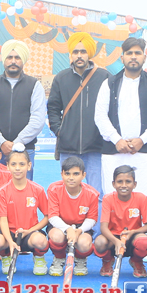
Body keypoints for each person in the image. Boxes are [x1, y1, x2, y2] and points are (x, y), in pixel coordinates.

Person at [94, 36, 147, 198]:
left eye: (137, 53)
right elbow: (100, 116)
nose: (133, 57)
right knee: (114, 200)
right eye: (129, 53)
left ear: (144, 57)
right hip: (115, 153)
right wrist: (117, 140)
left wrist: (142, 140)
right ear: (122, 58)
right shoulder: (109, 84)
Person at [47, 32, 108, 191]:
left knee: (97, 193)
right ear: (71, 54)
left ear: (90, 53)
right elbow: (53, 108)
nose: (79, 55)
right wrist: (60, 131)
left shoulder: (104, 77)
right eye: (75, 52)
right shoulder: (61, 78)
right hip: (69, 148)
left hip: (96, 148)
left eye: (83, 51)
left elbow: (111, 109)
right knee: (70, 192)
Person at [0, 38, 47, 177]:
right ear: (4, 60)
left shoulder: (34, 85)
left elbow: (38, 119)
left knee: (23, 189)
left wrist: (16, 144)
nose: (13, 61)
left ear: (23, 60)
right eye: (9, 57)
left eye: (17, 57)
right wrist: (2, 142)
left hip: (25, 150)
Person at [0, 146, 51, 275]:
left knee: (40, 241)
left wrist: (29, 231)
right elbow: (3, 220)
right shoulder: (2, 191)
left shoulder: (38, 189)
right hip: (9, 233)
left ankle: (39, 258)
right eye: (13, 164)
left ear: (29, 166)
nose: (17, 168)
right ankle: (6, 256)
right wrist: (10, 242)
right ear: (7, 166)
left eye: (22, 164)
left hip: (29, 233)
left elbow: (48, 216)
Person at [93, 165, 147, 279]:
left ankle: (136, 261)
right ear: (113, 184)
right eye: (120, 181)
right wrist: (116, 241)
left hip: (132, 236)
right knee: (99, 242)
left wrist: (133, 232)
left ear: (134, 184)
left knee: (144, 242)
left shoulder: (141, 198)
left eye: (128, 182)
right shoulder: (108, 199)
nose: (124, 185)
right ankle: (107, 260)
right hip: (113, 237)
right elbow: (103, 227)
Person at [45, 155, 99, 277]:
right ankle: (59, 258)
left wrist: (79, 231)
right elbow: (53, 216)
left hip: (81, 226)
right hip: (60, 225)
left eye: (76, 174)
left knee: (84, 243)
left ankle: (80, 259)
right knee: (56, 236)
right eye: (67, 174)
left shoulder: (92, 194)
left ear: (83, 175)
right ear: (62, 174)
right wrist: (68, 229)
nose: (71, 178)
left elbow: (91, 219)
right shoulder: (54, 189)